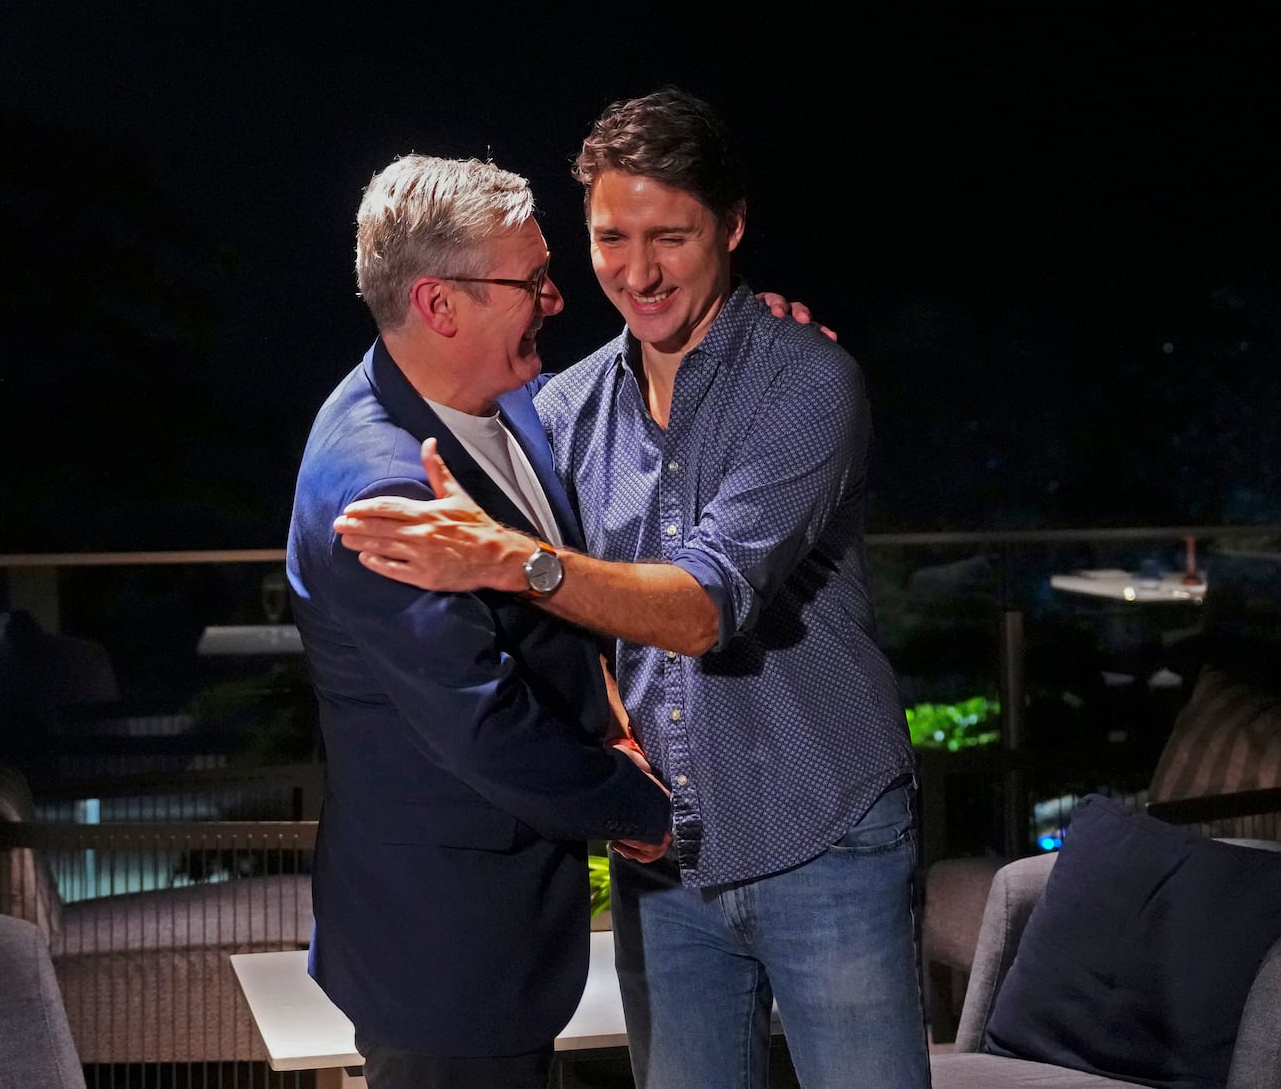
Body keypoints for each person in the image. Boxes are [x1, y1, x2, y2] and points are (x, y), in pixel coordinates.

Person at [334, 87, 931, 1088]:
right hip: (666, 859)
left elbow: (703, 606)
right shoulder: (558, 409)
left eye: (673, 237)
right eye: (612, 237)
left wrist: (507, 558)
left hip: (826, 836)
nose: (639, 272)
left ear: (732, 227)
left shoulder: (807, 382)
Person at [285, 153, 673, 1089]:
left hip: (484, 932)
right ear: (439, 304)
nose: (555, 300)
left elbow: (623, 392)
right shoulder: (380, 491)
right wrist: (645, 812)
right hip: (446, 953)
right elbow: (483, 723)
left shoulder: (493, 396)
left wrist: (761, 337)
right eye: (530, 282)